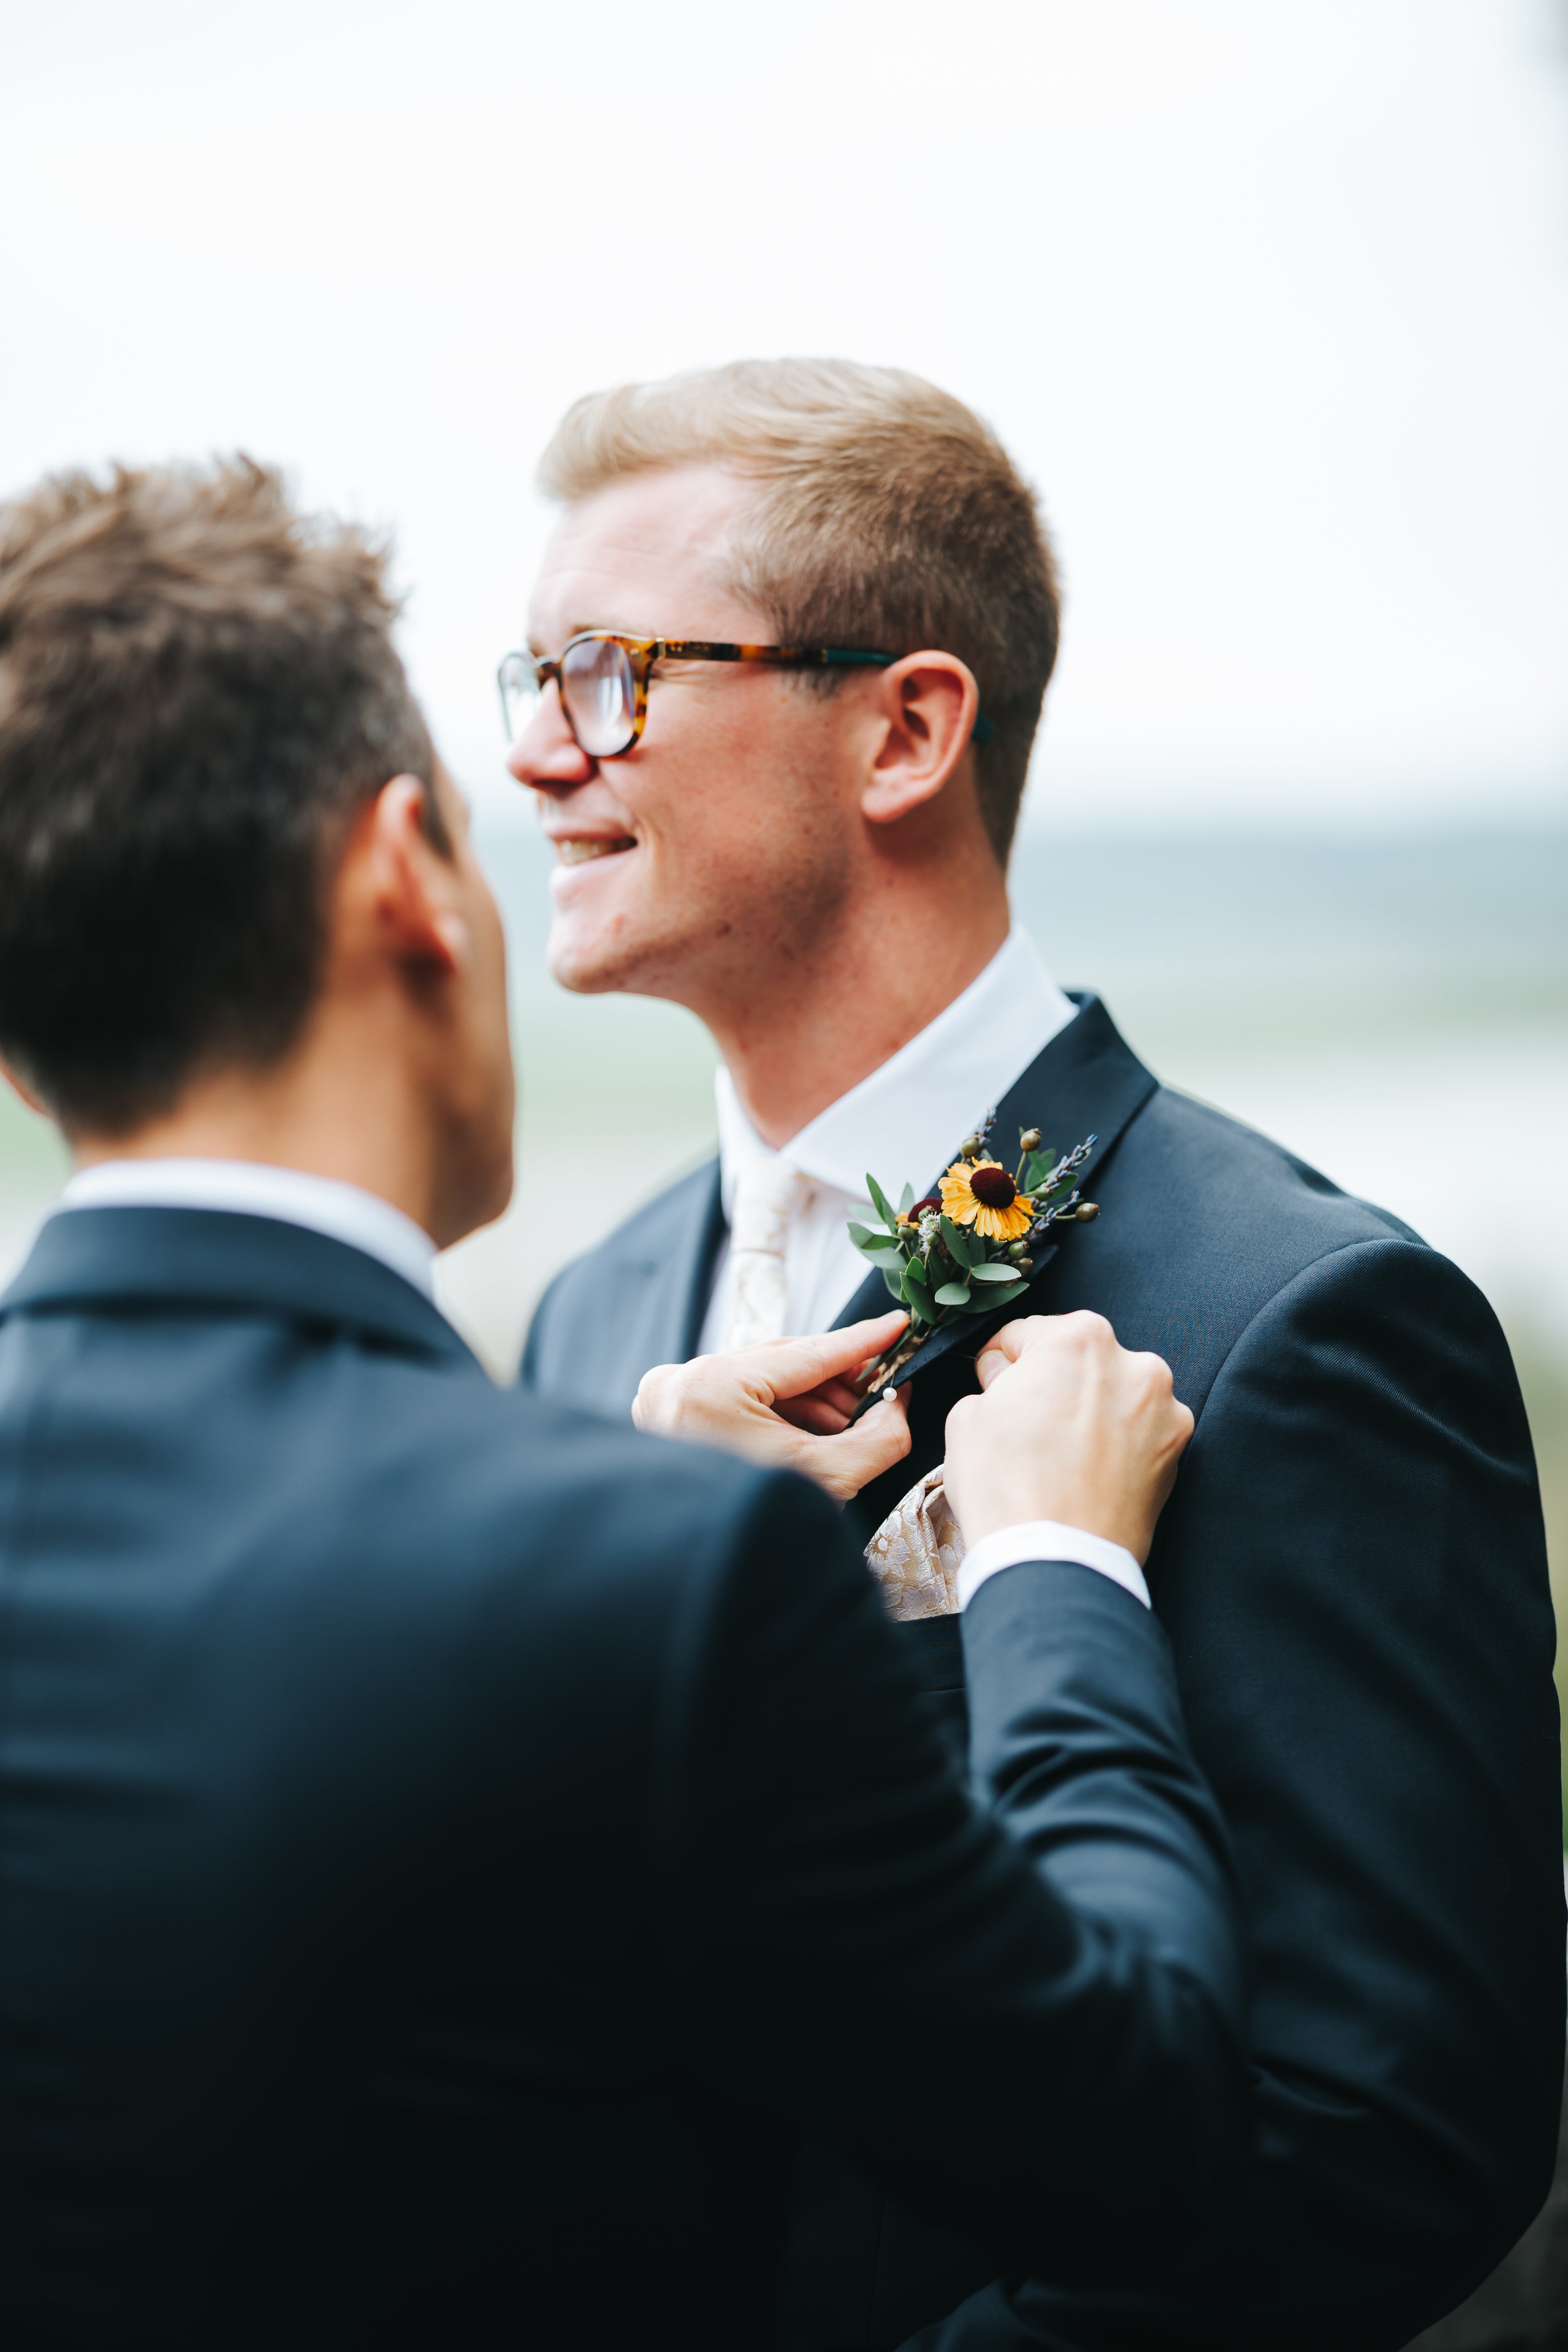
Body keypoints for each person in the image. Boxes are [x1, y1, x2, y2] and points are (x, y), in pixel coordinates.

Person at [0, 458, 1249, 2349]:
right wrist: (1059, 1567)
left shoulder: (622, 1491)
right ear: (402, 877)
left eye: (607, 678)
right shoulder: (650, 1569)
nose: (547, 775)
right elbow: (1140, 2136)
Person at [514, 359, 1565, 2351]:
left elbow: (1394, 2129)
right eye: (535, 687)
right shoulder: (589, 1315)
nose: (544, 759)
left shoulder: (1305, 1318)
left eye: (611, 675)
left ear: (903, 731)